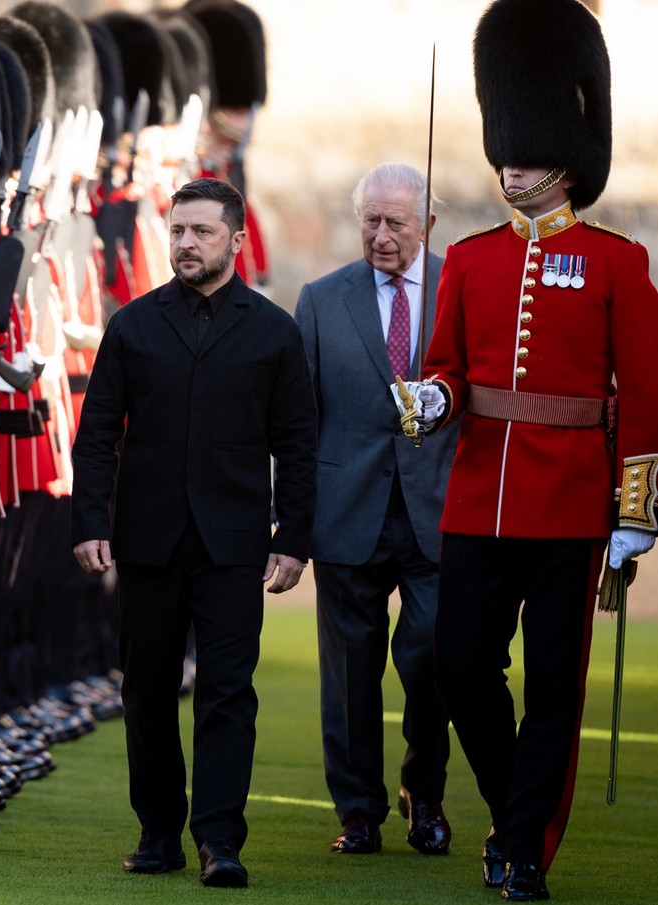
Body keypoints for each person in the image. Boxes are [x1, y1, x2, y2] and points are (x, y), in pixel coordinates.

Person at [406, 1, 658, 899]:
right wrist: (425, 399)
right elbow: (447, 374)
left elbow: (645, 397)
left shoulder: (615, 264)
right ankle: (516, 802)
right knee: (459, 662)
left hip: (570, 502)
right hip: (479, 497)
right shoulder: (470, 261)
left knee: (555, 687)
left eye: (526, 148)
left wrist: (633, 513)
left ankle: (521, 850)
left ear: (567, 156)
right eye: (504, 146)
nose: (509, 164)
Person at [70, 177, 316, 888]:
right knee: (145, 689)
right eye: (178, 230)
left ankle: (219, 838)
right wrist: (90, 520)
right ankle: (157, 830)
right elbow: (95, 438)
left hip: (233, 544)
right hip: (146, 540)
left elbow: (297, 442)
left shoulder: (274, 331)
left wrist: (292, 536)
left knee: (227, 691)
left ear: (235, 240)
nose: (184, 243)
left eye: (201, 232)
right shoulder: (133, 325)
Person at [294, 163, 456, 858]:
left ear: (426, 223)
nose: (381, 235)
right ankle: (357, 809)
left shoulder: (462, 287)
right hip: (346, 512)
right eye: (370, 221)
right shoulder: (320, 299)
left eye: (395, 222)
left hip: (438, 513)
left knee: (430, 658)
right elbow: (297, 421)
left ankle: (424, 791)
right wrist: (291, 521)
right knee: (350, 673)